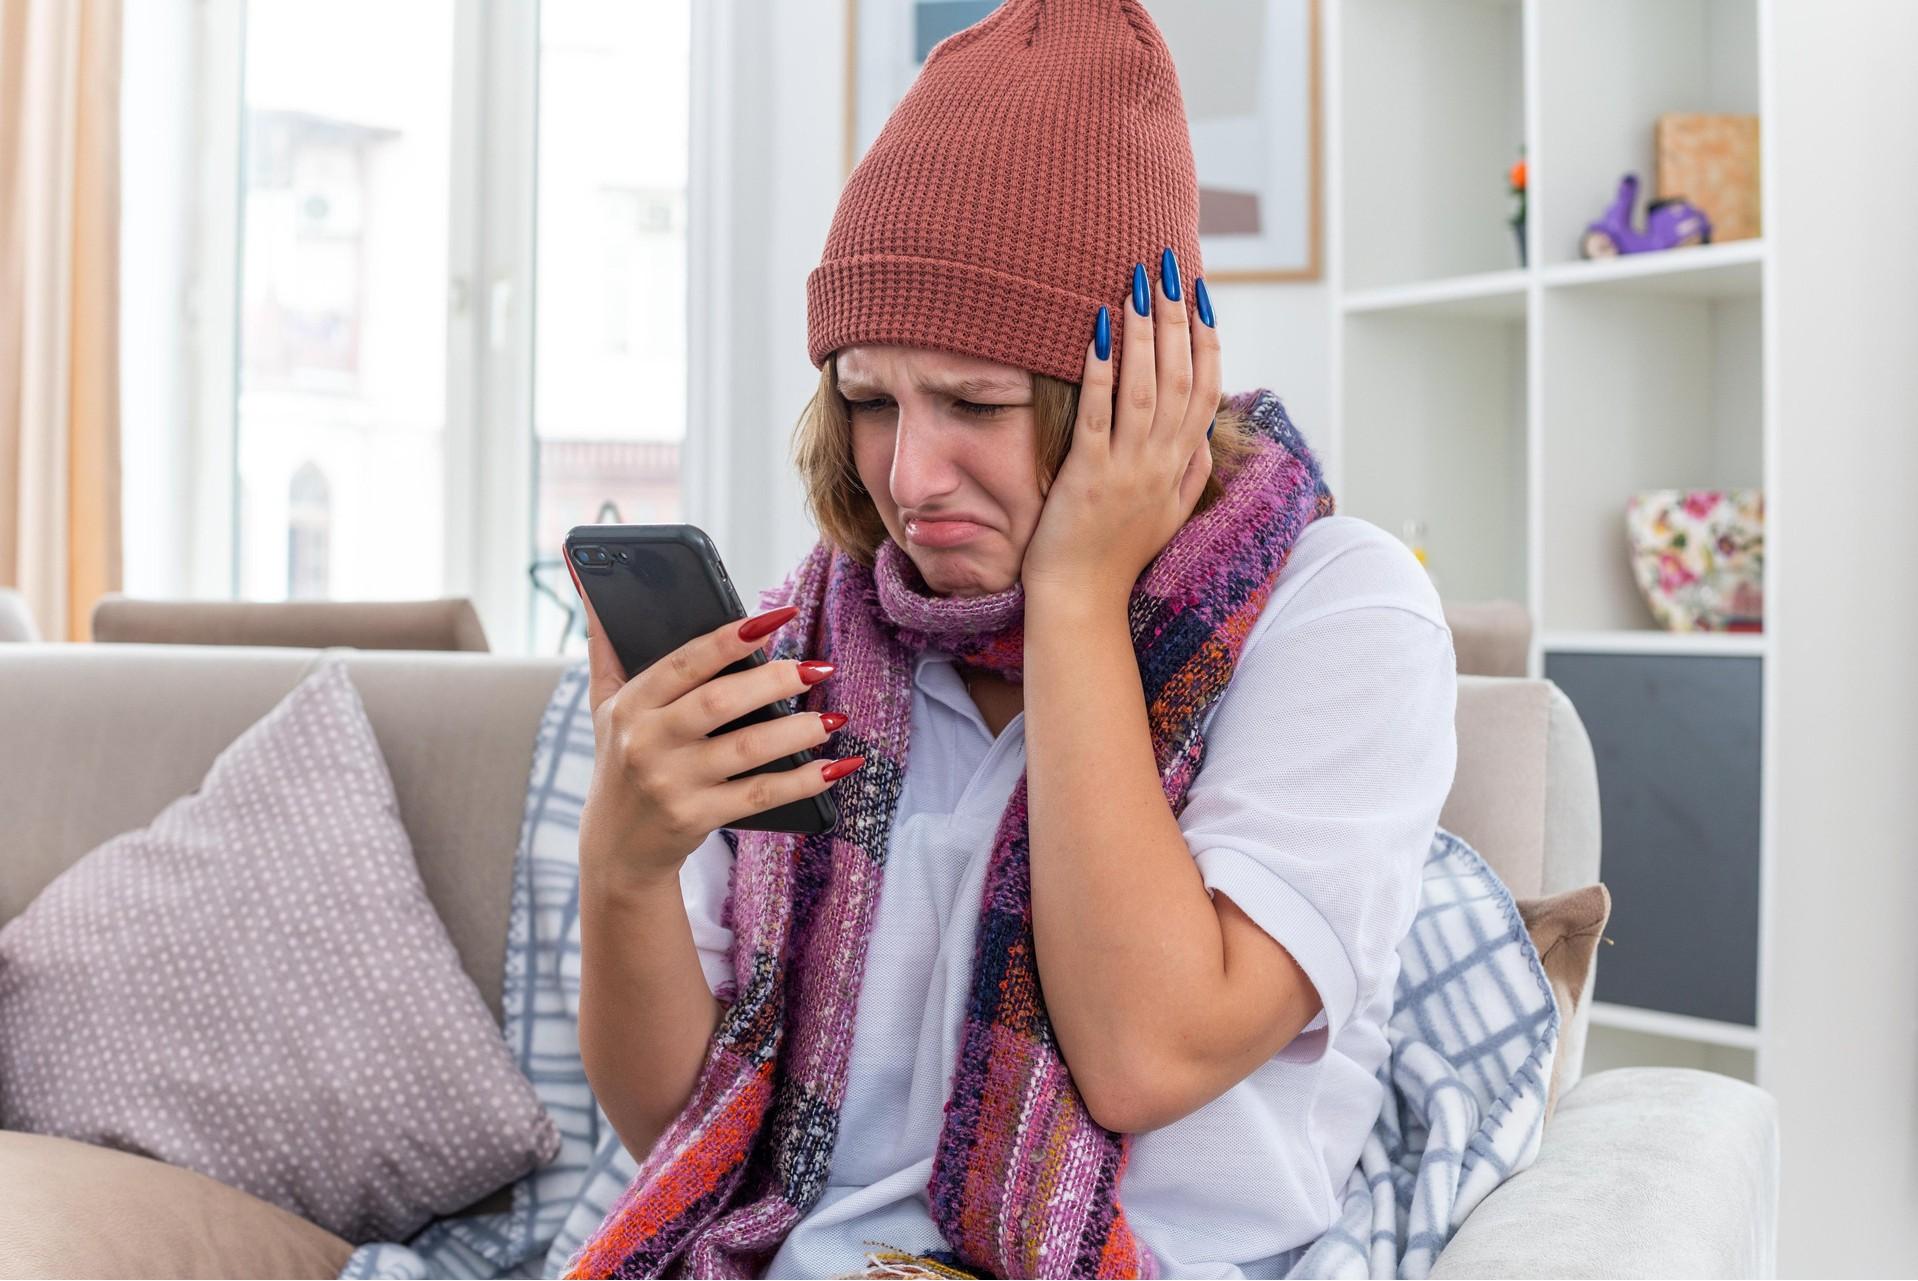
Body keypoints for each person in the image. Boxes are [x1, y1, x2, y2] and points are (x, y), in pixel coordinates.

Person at [563, 1, 1455, 1277]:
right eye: (868, 399)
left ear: (1136, 393)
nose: (908, 476)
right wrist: (625, 866)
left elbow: (1146, 1054)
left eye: (975, 402)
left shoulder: (1341, 610)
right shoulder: (814, 636)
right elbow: (684, 1136)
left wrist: (1078, 594)